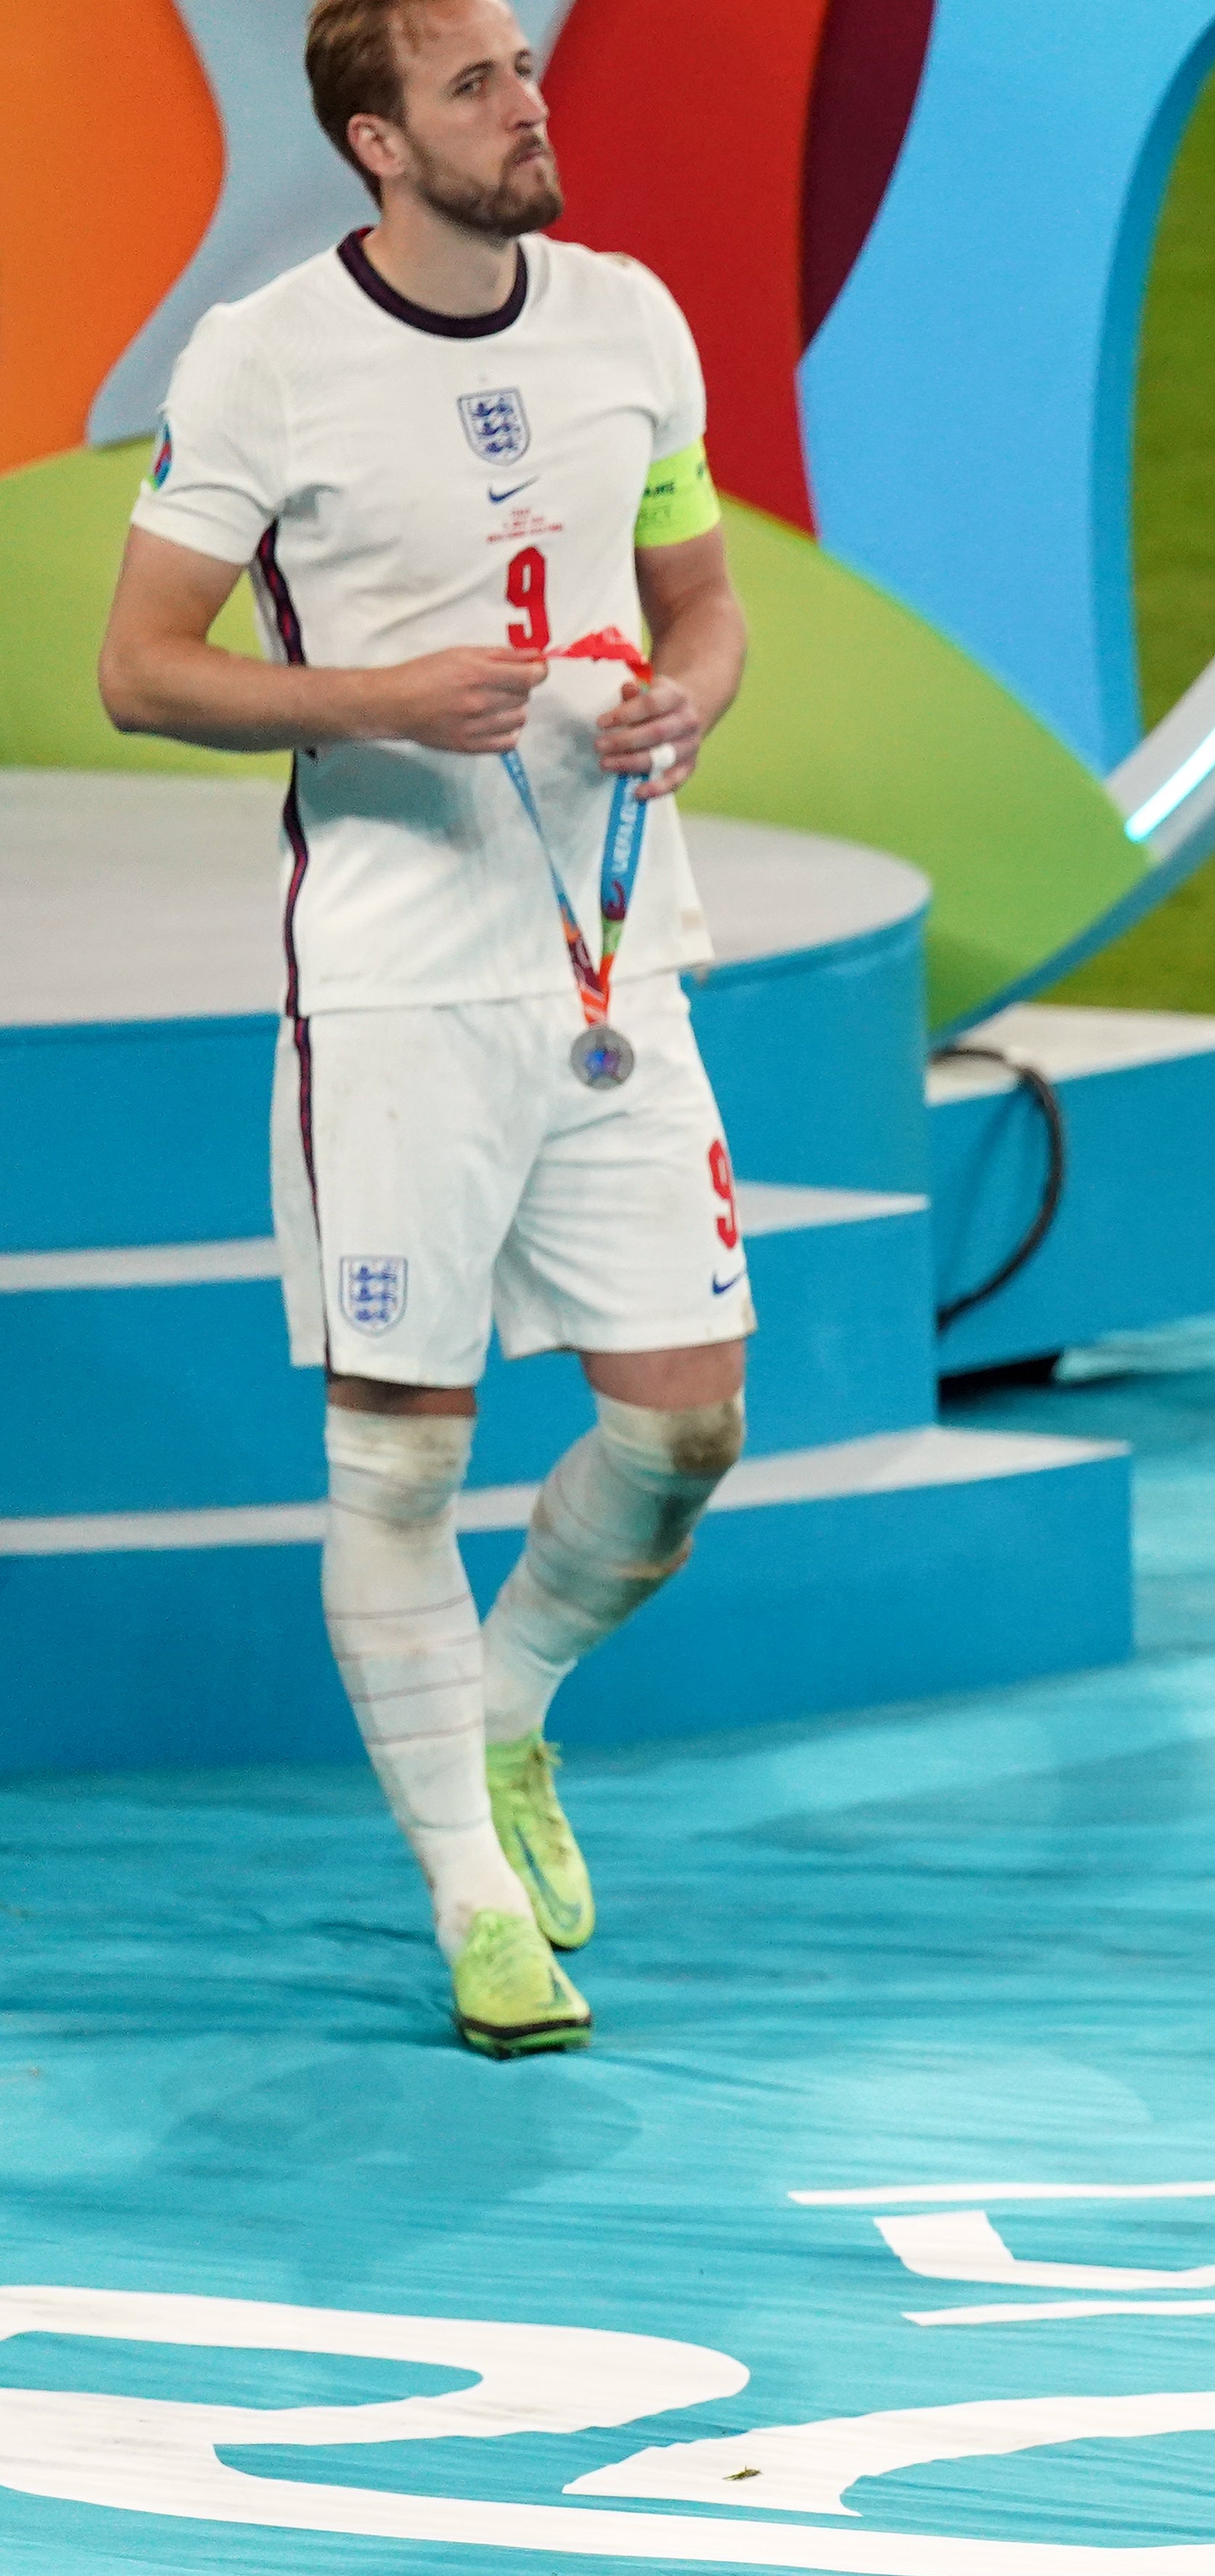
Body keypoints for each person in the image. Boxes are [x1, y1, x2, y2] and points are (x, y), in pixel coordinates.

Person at [95, 0, 752, 2059]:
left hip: (614, 960)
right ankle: (475, 1902)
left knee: (685, 1430)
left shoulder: (632, 320)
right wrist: (379, 698)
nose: (527, 103)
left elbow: (702, 596)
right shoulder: (263, 357)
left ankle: (508, 1717)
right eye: (476, 85)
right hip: (392, 984)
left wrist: (694, 691)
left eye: (523, 70)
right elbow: (141, 671)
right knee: (401, 1464)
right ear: (379, 143)